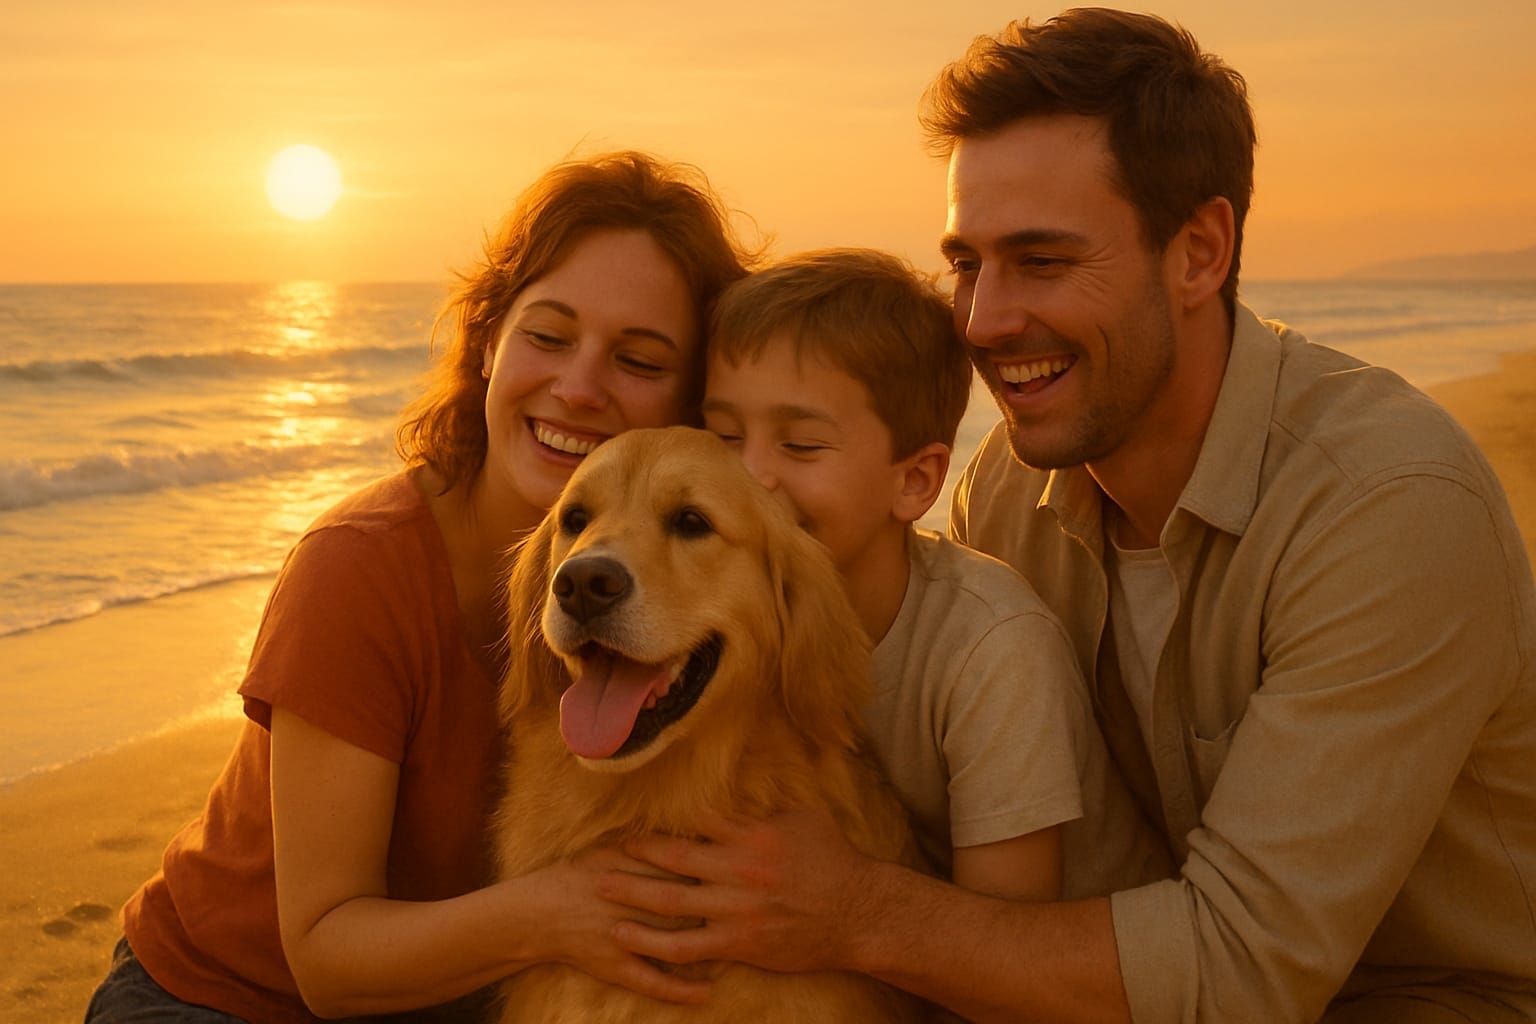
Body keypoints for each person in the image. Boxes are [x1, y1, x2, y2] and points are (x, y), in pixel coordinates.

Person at [602, 10, 1536, 1024]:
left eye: (1041, 261)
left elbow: (1240, 973)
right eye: (967, 264)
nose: (984, 322)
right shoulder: (1008, 489)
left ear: (1199, 252)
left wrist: (852, 912)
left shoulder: (1387, 509)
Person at [85, 150, 755, 1023]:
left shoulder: (703, 595)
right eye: (548, 337)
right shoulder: (358, 568)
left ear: (694, 402)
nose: (579, 387)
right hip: (223, 998)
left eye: (638, 360)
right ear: (488, 344)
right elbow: (326, 960)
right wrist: (561, 913)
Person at [700, 247, 1164, 901]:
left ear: (916, 482)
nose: (747, 479)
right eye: (721, 437)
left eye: (801, 445)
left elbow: (1005, 938)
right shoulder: (730, 619)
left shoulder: (991, 651)